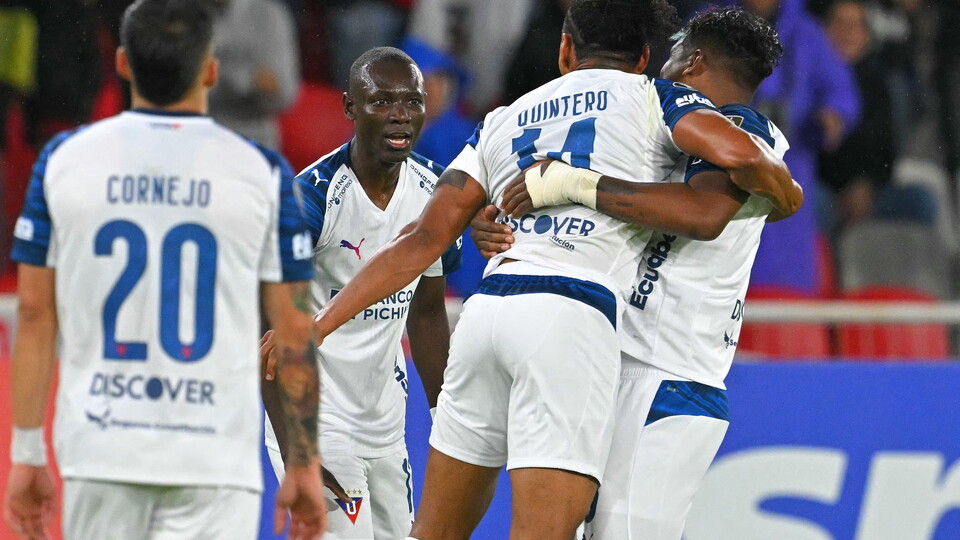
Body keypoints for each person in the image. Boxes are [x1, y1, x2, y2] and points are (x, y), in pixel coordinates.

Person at [308, 1, 800, 538]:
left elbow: (422, 238)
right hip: (573, 319)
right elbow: (739, 167)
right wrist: (790, 194)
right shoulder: (657, 101)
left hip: (489, 313)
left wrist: (318, 323)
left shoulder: (505, 115)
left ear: (565, 49)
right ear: (642, 57)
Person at [1, 1, 325, 539]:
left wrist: (27, 453)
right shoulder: (263, 174)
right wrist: (304, 463)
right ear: (210, 70)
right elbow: (293, 330)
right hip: (214, 455)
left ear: (122, 64)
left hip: (102, 451)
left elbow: (34, 313)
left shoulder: (63, 161)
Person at [474, 7, 792, 539]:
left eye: (674, 49)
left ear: (693, 60)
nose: (660, 61)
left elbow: (704, 215)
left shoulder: (741, 130)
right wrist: (504, 223)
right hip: (609, 356)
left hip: (671, 373)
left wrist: (574, 184)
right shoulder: (657, 134)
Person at [262, 47, 461, 540]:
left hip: (387, 426)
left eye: (412, 101)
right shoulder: (311, 197)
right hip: (317, 421)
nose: (401, 114)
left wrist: (447, 423)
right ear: (350, 107)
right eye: (382, 101)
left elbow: (427, 316)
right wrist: (297, 456)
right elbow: (268, 343)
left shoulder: (434, 193)